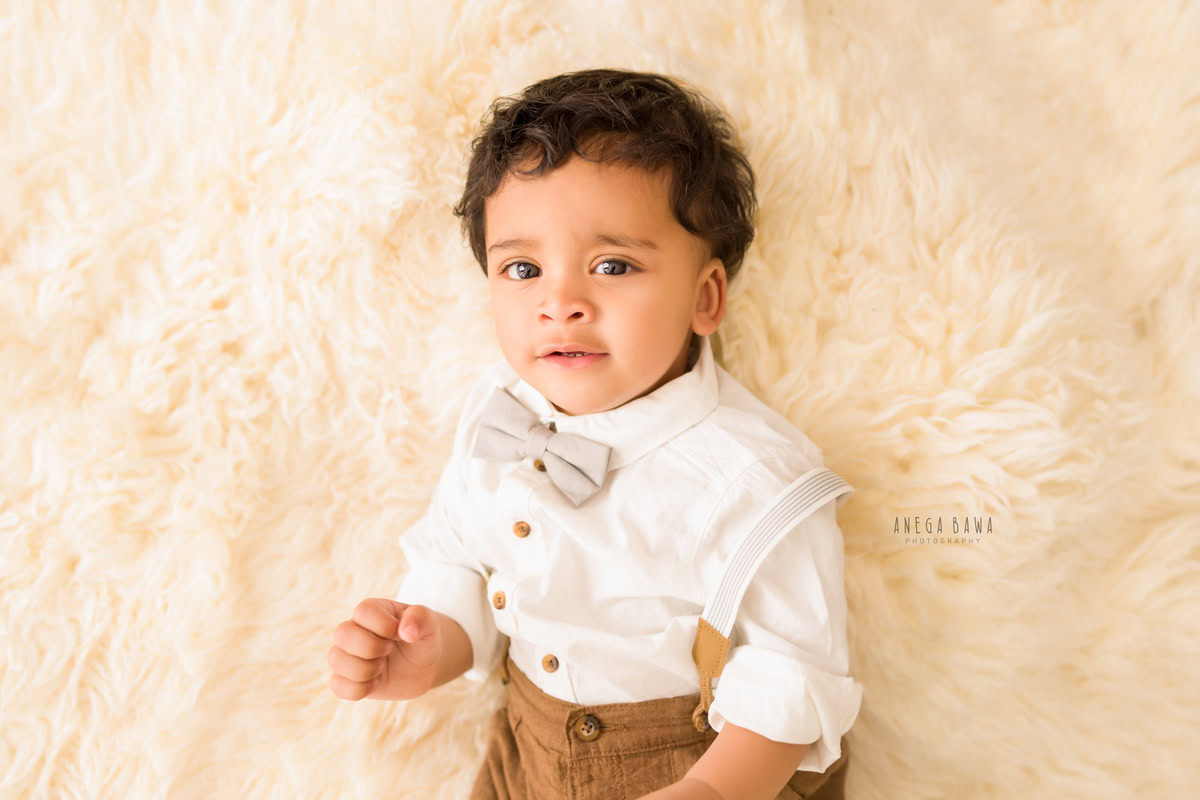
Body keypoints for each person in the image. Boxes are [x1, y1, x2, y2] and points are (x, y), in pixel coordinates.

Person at [328, 68, 862, 800]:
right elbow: (459, 559)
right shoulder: (498, 416)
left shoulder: (755, 479)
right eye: (523, 268)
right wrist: (428, 645)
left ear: (705, 297)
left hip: (712, 765)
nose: (561, 302)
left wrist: (710, 790)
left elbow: (792, 677)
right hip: (527, 754)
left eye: (612, 265)